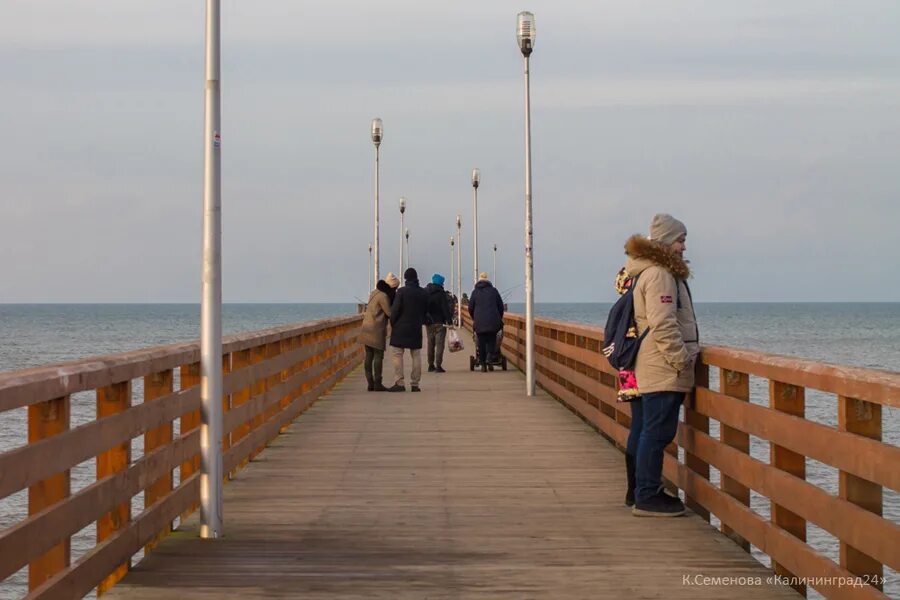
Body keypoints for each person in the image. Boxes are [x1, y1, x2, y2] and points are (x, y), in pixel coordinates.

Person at [623, 213, 699, 517]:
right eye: (680, 241)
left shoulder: (648, 272)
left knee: (646, 430)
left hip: (650, 364)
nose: (683, 247)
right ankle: (647, 495)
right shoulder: (660, 275)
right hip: (662, 366)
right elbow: (663, 323)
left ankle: (641, 491)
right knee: (657, 432)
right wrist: (681, 360)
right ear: (667, 242)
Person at [388, 267, 429, 392]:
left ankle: (399, 382)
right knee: (416, 354)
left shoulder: (401, 292)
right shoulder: (423, 293)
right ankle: (415, 383)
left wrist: (393, 322)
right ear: (416, 278)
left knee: (397, 353)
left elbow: (395, 310)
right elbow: (425, 310)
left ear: (405, 278)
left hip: (400, 327)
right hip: (415, 327)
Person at [359, 272, 400, 391]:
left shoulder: (374, 293)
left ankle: (370, 382)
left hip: (366, 328)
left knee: (368, 356)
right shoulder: (383, 296)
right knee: (378, 356)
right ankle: (377, 383)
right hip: (376, 329)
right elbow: (389, 313)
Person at [468, 272, 504, 372]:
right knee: (492, 341)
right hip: (493, 321)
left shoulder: (475, 292)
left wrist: (474, 318)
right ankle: (489, 358)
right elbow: (500, 306)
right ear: (488, 281)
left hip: (479, 322)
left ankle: (483, 364)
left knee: (481, 343)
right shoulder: (494, 291)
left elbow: (470, 307)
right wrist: (498, 317)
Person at [425, 273, 453, 373]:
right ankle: (438, 366)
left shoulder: (426, 292)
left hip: (429, 322)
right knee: (439, 345)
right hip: (440, 323)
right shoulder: (441, 293)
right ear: (441, 283)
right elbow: (445, 309)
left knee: (430, 344)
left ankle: (430, 365)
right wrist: (449, 321)